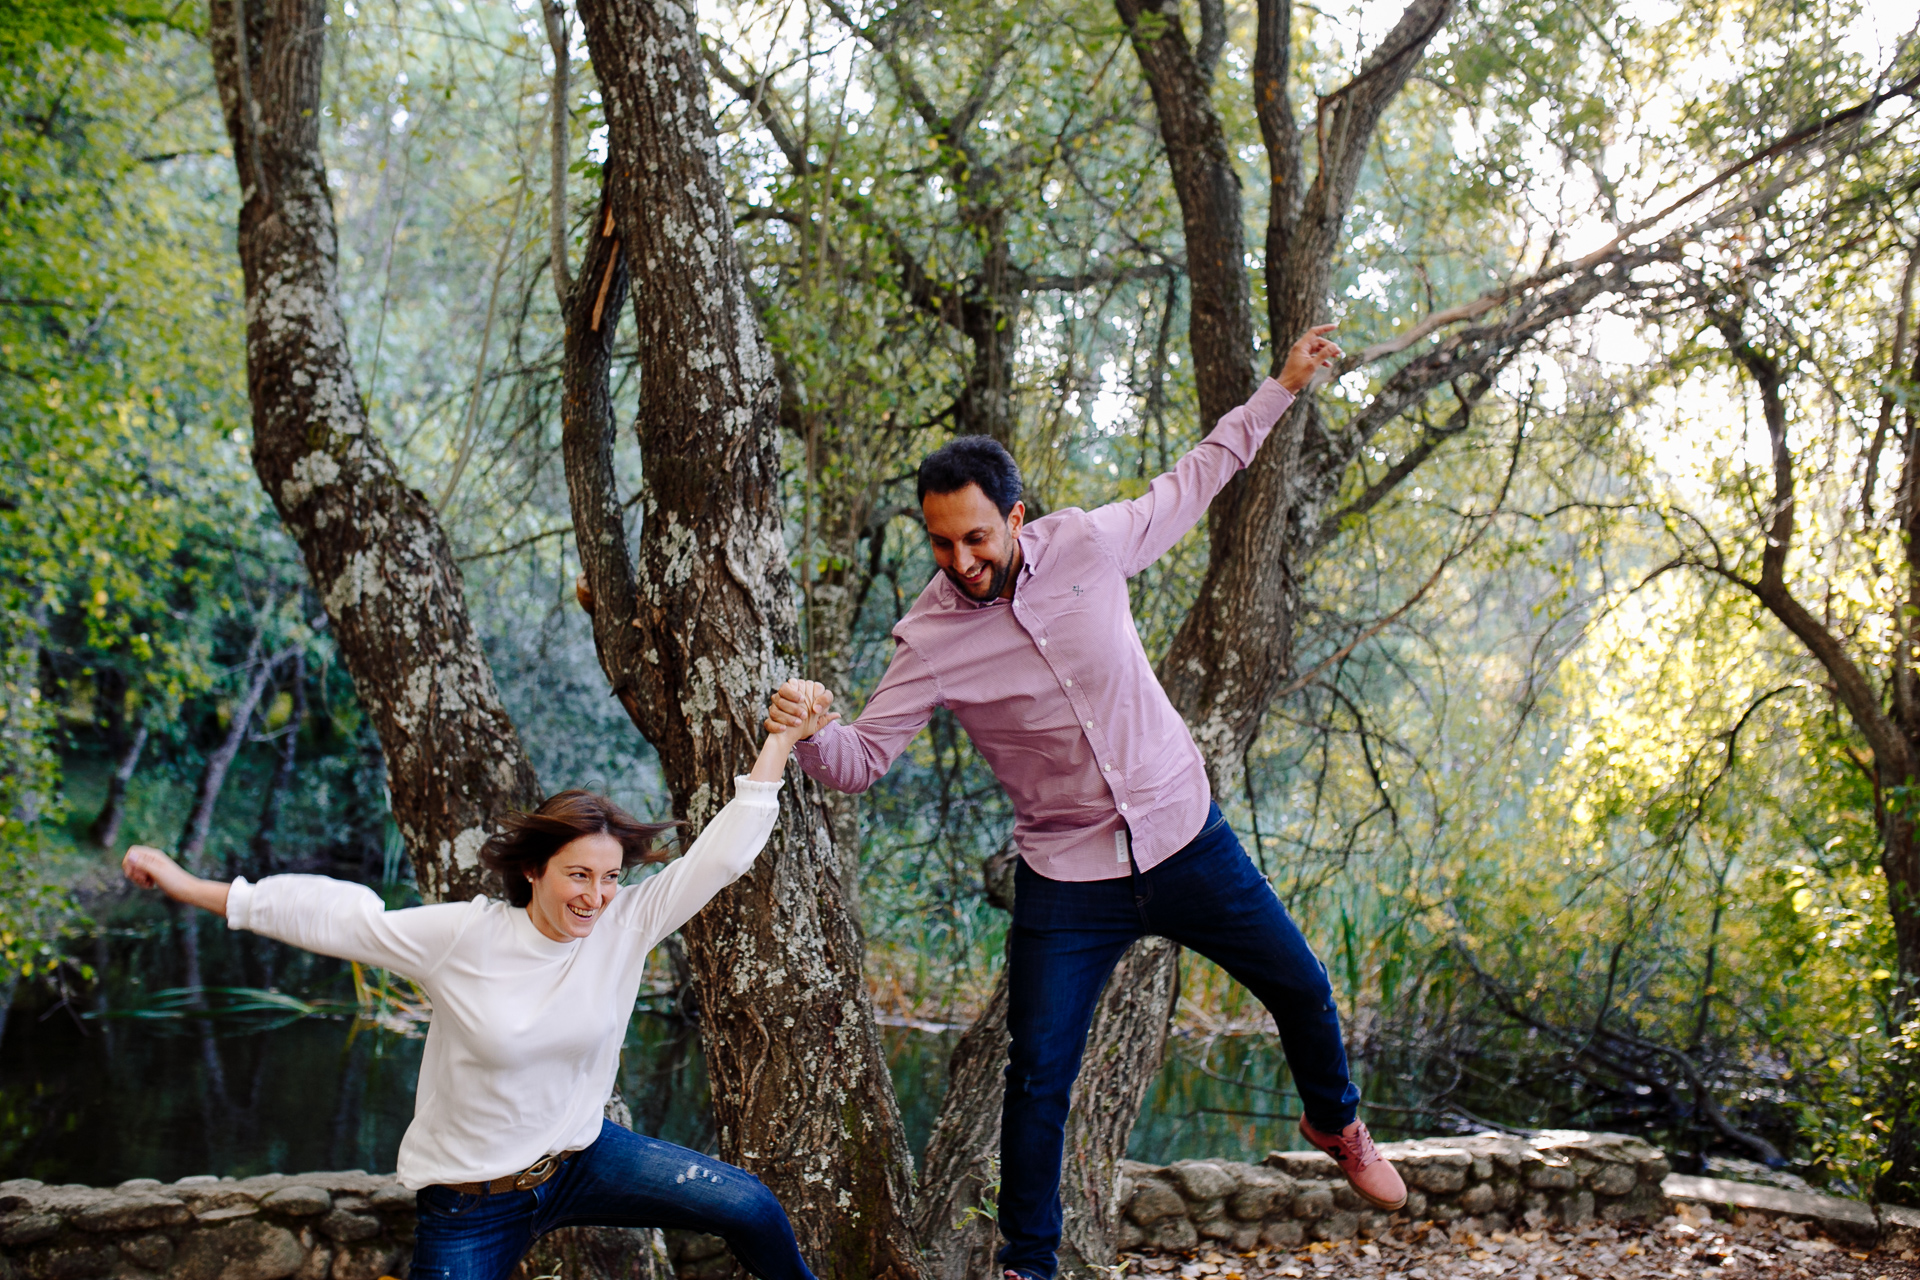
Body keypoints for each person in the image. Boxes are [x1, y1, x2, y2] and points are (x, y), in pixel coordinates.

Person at [766, 325, 1406, 1280]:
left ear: (1017, 517)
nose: (960, 559)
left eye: (975, 536)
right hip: (1067, 874)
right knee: (1036, 1081)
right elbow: (858, 761)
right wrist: (809, 724)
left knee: (1304, 985)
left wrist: (1282, 385)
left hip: (1182, 835)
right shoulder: (929, 637)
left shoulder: (1091, 545)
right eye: (941, 543)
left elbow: (1200, 474)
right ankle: (1029, 1263)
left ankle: (1336, 1119)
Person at [121, 680, 837, 1280]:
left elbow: (720, 858)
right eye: (578, 876)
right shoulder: (468, 935)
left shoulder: (626, 923)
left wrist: (778, 742)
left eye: (611, 877)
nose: (596, 896)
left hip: (583, 1160)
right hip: (473, 1200)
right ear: (534, 871)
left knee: (749, 1207)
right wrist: (193, 886)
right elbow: (342, 918)